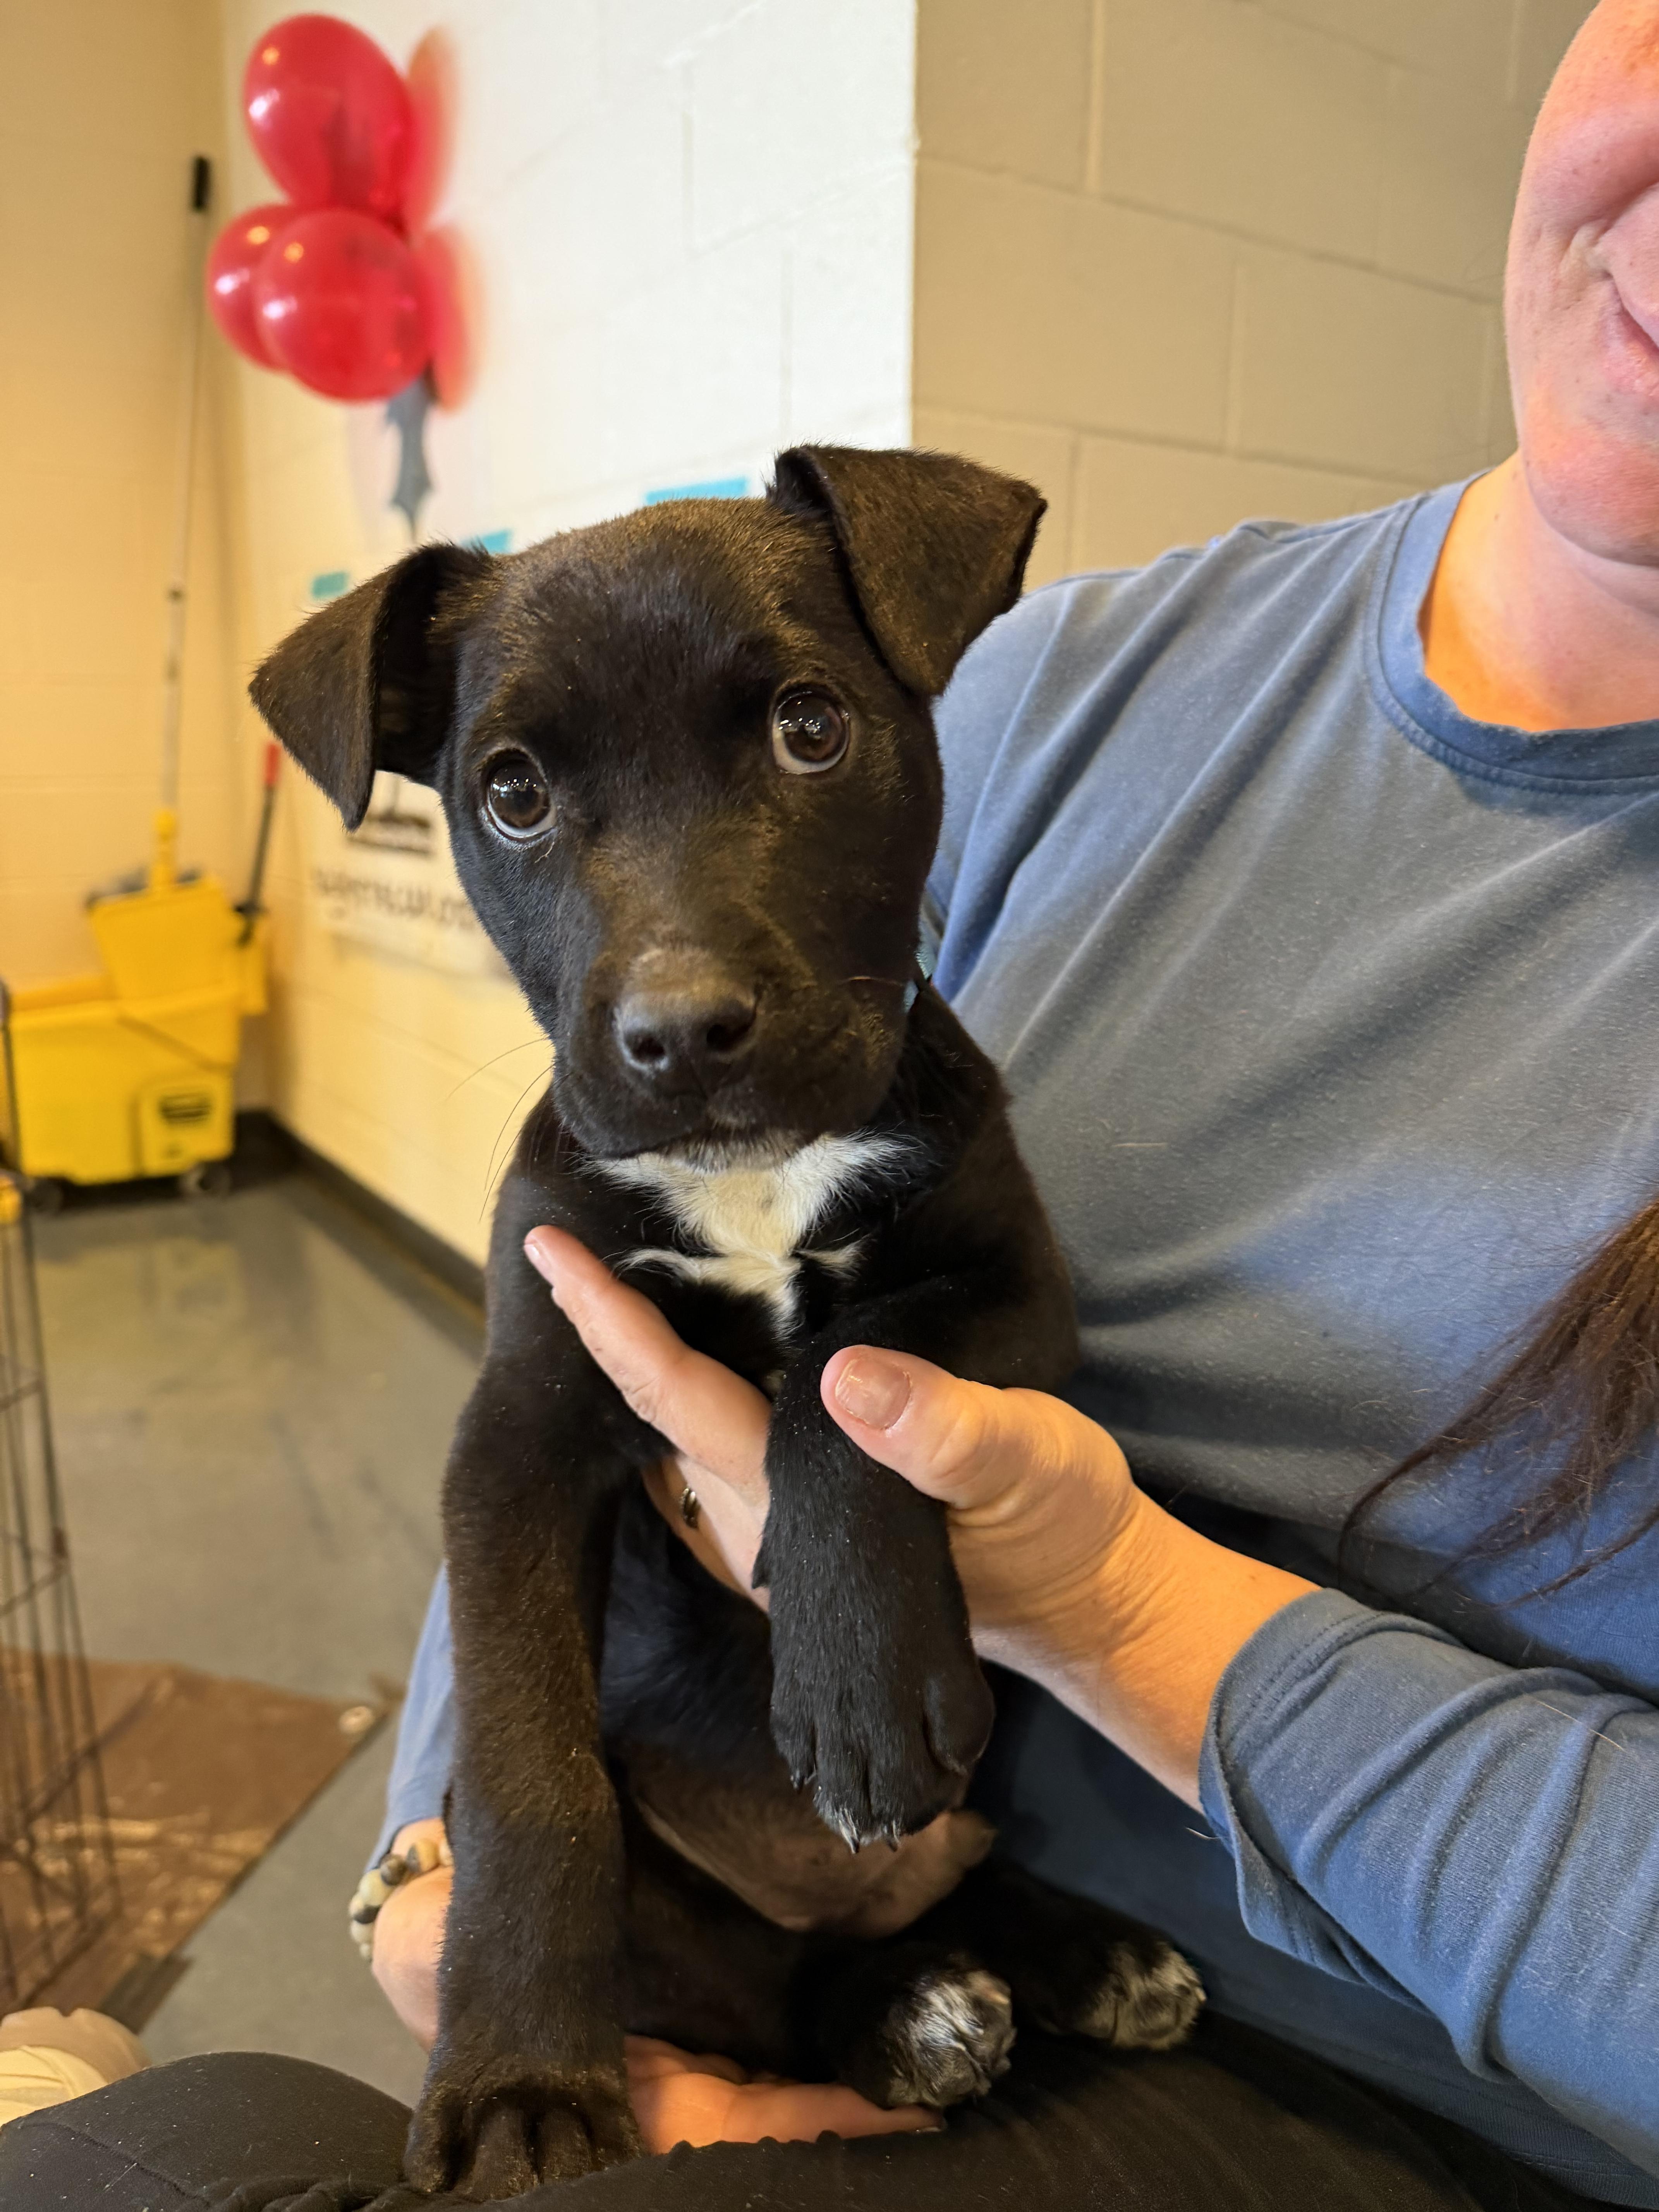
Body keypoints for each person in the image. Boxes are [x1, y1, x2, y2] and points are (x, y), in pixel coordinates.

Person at [7, 2, 1659, 2204]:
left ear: (889, 691)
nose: (674, 970)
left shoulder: (929, 979)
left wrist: (1085, 1595)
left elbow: (991, 1320)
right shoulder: (1105, 677)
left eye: (793, 737)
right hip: (692, 1874)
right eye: (529, 794)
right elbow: (527, 1468)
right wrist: (469, 1892)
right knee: (137, 2145)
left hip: (1389, 2076)